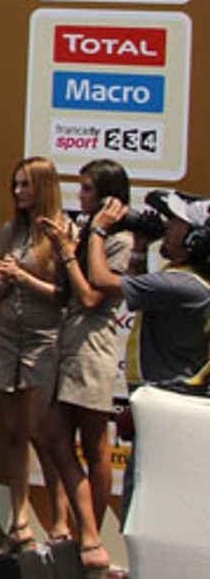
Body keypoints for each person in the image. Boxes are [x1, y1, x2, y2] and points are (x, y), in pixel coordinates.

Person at [86, 186, 210, 512]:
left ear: (196, 239)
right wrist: (140, 247)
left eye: (176, 223)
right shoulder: (186, 281)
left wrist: (98, 230)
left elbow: (101, 280)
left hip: (168, 404)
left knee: (143, 501)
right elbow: (141, 296)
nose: (167, 227)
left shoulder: (182, 286)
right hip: (169, 403)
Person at [40, 158, 133, 579]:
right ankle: (88, 532)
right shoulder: (85, 233)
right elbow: (66, 294)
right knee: (55, 439)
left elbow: (94, 296)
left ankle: (92, 537)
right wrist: (64, 247)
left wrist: (74, 249)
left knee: (95, 447)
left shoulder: (119, 240)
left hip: (93, 348)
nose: (81, 196)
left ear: (109, 196)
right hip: (70, 343)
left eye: (88, 189)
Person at [0, 155, 72, 551]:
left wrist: (22, 275)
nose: (18, 191)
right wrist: (4, 280)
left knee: (42, 433)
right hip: (9, 335)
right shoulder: (11, 230)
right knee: (14, 432)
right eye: (15, 184)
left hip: (44, 337)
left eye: (25, 184)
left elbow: (65, 296)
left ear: (43, 187)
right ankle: (19, 521)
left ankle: (60, 521)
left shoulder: (61, 232)